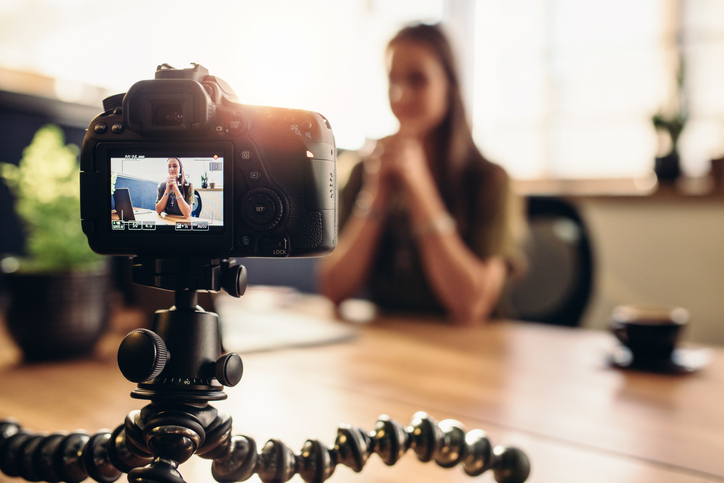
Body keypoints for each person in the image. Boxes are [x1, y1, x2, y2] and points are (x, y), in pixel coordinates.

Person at [317, 23, 525, 326]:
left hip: (472, 355)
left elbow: (471, 306)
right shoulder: (367, 172)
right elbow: (333, 289)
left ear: (449, 86)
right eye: (393, 80)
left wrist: (420, 187)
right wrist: (376, 195)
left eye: (418, 79)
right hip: (392, 349)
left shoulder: (489, 180)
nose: (401, 95)